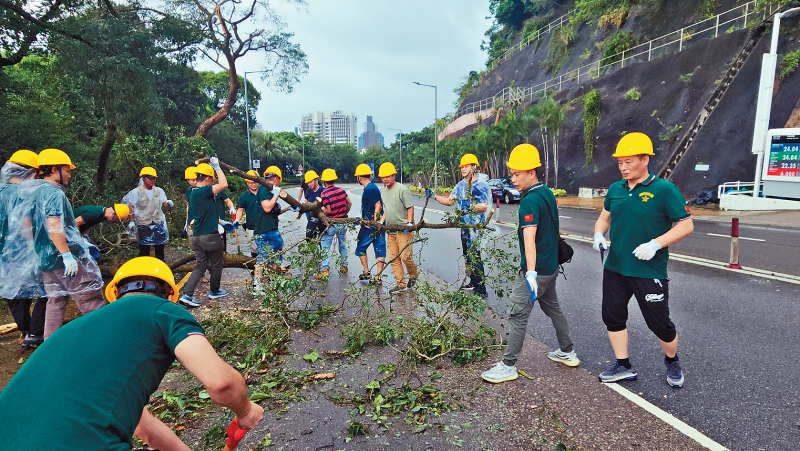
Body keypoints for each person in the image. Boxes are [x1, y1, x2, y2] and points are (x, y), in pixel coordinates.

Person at [0, 256, 264, 450]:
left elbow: (143, 426)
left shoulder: (72, 330)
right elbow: (222, 383)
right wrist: (245, 411)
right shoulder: (162, 310)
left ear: (115, 293)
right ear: (169, 294)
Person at [592, 132, 693, 388]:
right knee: (613, 318)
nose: (623, 168)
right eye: (620, 163)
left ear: (645, 159)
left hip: (649, 270)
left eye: (629, 162)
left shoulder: (664, 190)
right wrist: (597, 234)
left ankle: (672, 360)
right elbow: (605, 217)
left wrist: (656, 243)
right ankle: (623, 365)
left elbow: (685, 225)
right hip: (615, 267)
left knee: (659, 324)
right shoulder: (616, 189)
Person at [481, 144, 580, 384]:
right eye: (512, 173)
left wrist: (531, 273)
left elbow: (529, 237)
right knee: (553, 308)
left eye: (517, 174)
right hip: (551, 266)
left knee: (517, 314)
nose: (513, 178)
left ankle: (508, 365)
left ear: (532, 172)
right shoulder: (545, 192)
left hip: (537, 270)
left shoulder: (530, 201)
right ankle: (567, 351)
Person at [25, 148, 106, 338]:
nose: (70, 175)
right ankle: (104, 340)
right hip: (63, 258)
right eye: (67, 170)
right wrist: (67, 254)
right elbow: (54, 225)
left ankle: (49, 344)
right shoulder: (54, 194)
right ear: (54, 169)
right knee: (90, 298)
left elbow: (27, 224)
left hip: (46, 259)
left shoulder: (33, 192)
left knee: (55, 301)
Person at [0, 150, 47, 348]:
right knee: (47, 290)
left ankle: (26, 330)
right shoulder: (24, 194)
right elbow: (26, 224)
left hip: (4, 255)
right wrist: (35, 249)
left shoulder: (1, 191)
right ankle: (35, 333)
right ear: (27, 172)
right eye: (35, 173)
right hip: (23, 251)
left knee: (13, 293)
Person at [428, 153, 491, 297]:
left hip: (476, 227)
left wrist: (469, 207)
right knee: (467, 256)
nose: (463, 169)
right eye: (462, 166)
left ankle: (481, 289)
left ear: (474, 167)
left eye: (466, 166)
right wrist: (434, 196)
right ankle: (473, 281)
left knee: (475, 256)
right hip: (464, 226)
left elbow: (483, 206)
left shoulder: (480, 185)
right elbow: (450, 200)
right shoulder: (460, 185)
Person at [179, 158, 229, 308]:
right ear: (207, 178)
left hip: (197, 237)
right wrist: (217, 167)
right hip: (209, 236)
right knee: (217, 264)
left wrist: (221, 222)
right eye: (211, 180)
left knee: (200, 265)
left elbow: (206, 212)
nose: (212, 183)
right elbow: (224, 184)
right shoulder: (202, 191)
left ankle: (187, 294)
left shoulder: (193, 193)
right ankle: (214, 291)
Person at [236, 169, 282, 288]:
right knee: (258, 253)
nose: (253, 184)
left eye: (255, 181)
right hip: (253, 227)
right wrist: (236, 221)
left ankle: (265, 276)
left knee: (264, 254)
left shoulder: (263, 191)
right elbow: (241, 210)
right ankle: (257, 278)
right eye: (250, 182)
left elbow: (271, 212)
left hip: (264, 226)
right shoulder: (246, 196)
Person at [378, 162, 418, 294]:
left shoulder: (402, 189)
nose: (385, 179)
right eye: (383, 177)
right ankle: (400, 284)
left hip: (403, 230)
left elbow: (410, 207)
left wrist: (410, 223)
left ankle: (413, 275)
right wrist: (381, 222)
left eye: (388, 176)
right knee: (394, 258)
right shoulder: (383, 192)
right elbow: (387, 210)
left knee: (405, 256)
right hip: (391, 230)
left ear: (394, 175)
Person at [122, 166, 174, 261]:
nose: (152, 180)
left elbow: (164, 204)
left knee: (160, 250)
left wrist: (168, 204)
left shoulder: (159, 191)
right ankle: (144, 271)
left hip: (158, 223)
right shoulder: (136, 192)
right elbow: (131, 207)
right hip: (143, 224)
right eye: (150, 178)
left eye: (154, 178)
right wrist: (131, 222)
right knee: (144, 251)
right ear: (143, 178)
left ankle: (160, 269)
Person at [353, 164, 386, 284]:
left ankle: (367, 272)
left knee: (361, 248)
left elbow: (378, 205)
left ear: (360, 177)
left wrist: (374, 221)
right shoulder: (372, 187)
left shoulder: (369, 189)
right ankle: (378, 277)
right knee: (379, 248)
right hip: (378, 224)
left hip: (370, 225)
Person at [317, 168, 351, 280]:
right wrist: (344, 213)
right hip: (342, 222)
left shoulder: (324, 193)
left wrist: (320, 210)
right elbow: (349, 203)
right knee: (342, 244)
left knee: (325, 245)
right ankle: (344, 265)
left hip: (331, 223)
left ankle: (325, 269)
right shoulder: (341, 190)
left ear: (324, 182)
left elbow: (328, 210)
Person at [261, 165, 288, 272]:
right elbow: (267, 208)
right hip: (266, 229)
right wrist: (276, 194)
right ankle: (260, 281)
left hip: (270, 227)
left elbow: (273, 213)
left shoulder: (267, 191)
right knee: (266, 256)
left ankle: (273, 275)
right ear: (276, 179)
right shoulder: (265, 190)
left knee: (273, 252)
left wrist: (288, 209)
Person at [302, 170, 325, 239]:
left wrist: (319, 219)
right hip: (311, 219)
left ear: (316, 180)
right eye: (308, 182)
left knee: (321, 240)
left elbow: (326, 207)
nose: (309, 184)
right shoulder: (308, 191)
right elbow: (306, 201)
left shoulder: (323, 191)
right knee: (309, 236)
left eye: (310, 182)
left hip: (321, 219)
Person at [183, 166, 198, 238]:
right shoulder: (189, 190)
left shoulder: (204, 189)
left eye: (196, 179)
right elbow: (188, 205)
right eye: (193, 180)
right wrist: (186, 222)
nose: (195, 182)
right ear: (188, 180)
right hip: (191, 220)